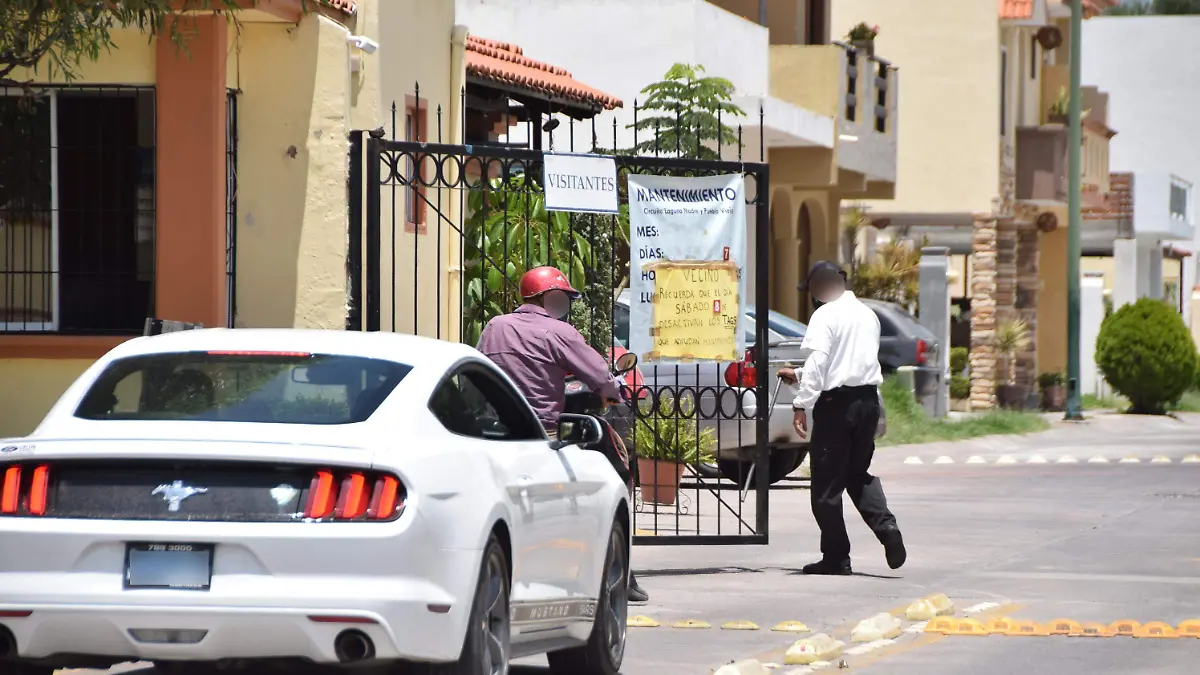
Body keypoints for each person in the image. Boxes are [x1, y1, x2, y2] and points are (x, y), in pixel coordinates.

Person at [477, 265, 651, 602]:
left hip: (492, 431)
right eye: (563, 299)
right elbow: (599, 375)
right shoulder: (560, 331)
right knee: (609, 484)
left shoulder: (495, 326)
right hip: (543, 430)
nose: (565, 305)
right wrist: (614, 390)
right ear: (550, 297)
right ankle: (620, 569)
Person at [777, 261, 906, 576]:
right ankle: (887, 527)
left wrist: (801, 403)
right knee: (857, 474)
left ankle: (836, 557)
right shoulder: (867, 314)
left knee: (826, 485)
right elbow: (847, 362)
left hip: (837, 406)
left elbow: (821, 363)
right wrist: (799, 375)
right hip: (867, 402)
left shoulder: (825, 315)